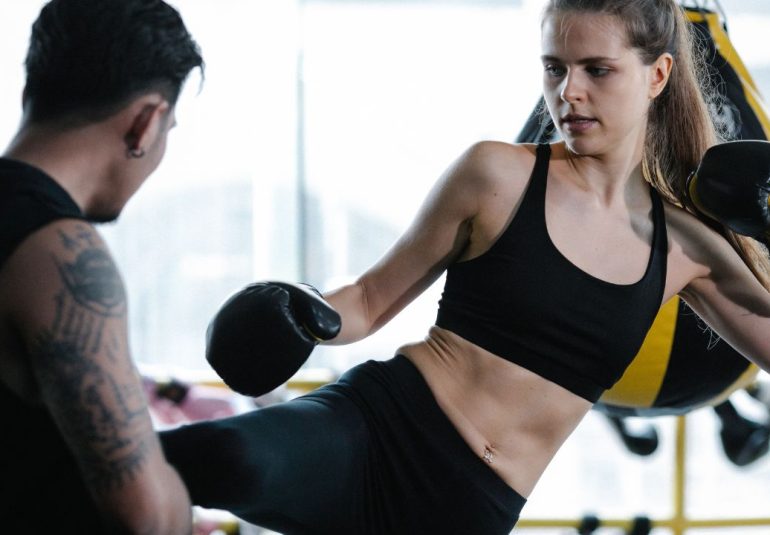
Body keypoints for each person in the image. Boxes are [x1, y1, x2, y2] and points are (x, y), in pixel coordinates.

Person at [160, 0, 770, 533]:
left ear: (657, 74)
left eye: (597, 70)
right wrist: (307, 307)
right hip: (372, 430)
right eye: (554, 67)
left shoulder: (687, 248)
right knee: (199, 461)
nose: (568, 92)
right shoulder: (497, 173)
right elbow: (370, 300)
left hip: (471, 509)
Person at [0, 0, 203, 532]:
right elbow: (148, 519)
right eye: (170, 128)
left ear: (31, 93)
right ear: (145, 122)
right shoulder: (59, 251)